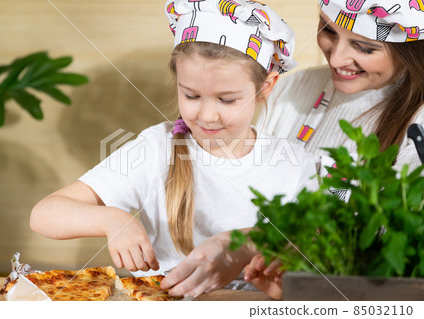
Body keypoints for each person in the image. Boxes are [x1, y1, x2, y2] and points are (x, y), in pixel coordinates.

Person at [30, 0, 318, 298]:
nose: (207, 115)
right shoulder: (156, 148)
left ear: (266, 86)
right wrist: (113, 219)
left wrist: (278, 274)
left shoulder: (294, 165)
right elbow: (44, 214)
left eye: (227, 100)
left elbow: (321, 259)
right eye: (191, 95)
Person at [245, 0, 424, 299]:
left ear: (413, 48)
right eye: (328, 30)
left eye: (365, 47)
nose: (337, 58)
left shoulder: (418, 123)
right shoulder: (292, 89)